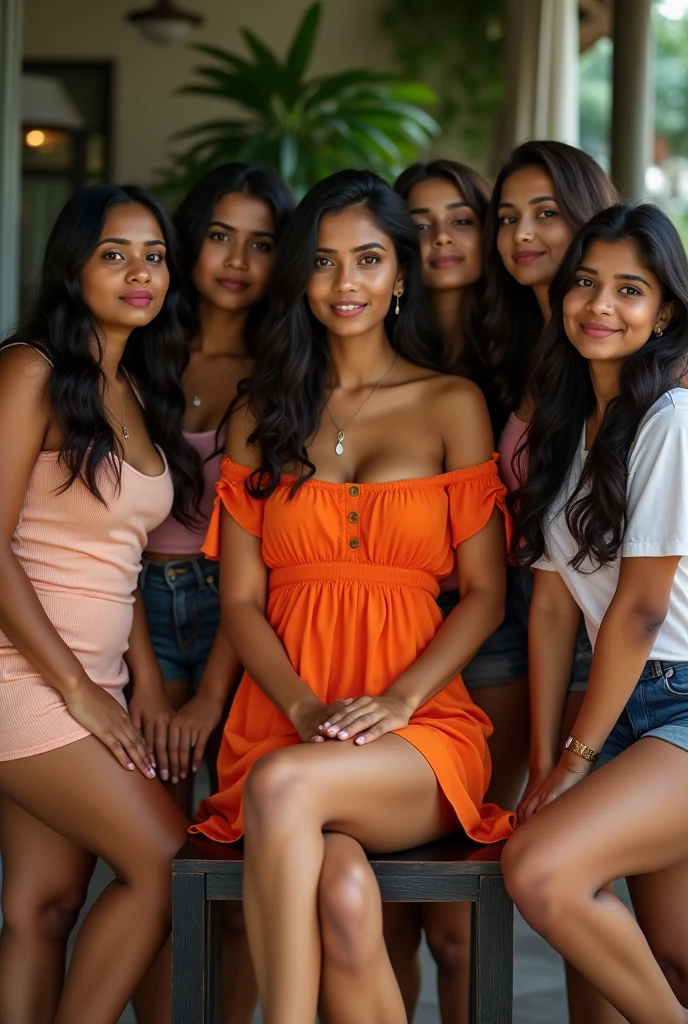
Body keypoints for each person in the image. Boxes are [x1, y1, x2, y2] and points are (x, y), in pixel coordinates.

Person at [191, 168, 514, 1024]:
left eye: (368, 260)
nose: (346, 284)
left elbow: (482, 593)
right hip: (283, 718)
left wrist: (399, 700)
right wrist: (300, 709)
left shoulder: (452, 402)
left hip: (416, 729)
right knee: (339, 893)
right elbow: (240, 605)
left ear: (400, 273)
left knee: (287, 792)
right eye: (325, 263)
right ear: (301, 278)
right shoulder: (259, 415)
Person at [0, 183, 195, 1024]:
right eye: (114, 254)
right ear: (72, 266)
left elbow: (129, 567)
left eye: (153, 255)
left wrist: (139, 681)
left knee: (41, 908)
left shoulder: (137, 391)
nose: (139, 272)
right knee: (167, 863)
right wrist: (78, 691)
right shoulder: (30, 369)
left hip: (98, 681)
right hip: (25, 679)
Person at [503, 201, 688, 1024]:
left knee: (543, 871)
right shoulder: (569, 422)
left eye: (629, 290)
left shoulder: (670, 420)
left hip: (676, 700)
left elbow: (643, 611)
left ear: (665, 313)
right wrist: (546, 758)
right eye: (585, 283)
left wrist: (576, 758)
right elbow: (551, 606)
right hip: (613, 705)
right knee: (665, 952)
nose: (600, 306)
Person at [133, 162, 293, 1024]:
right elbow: (103, 530)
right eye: (220, 235)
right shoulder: (136, 337)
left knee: (236, 878)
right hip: (136, 617)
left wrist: (213, 694)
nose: (236, 259)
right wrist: (156, 685)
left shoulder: (284, 368)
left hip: (247, 620)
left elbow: (256, 560)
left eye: (263, 241)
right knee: (158, 866)